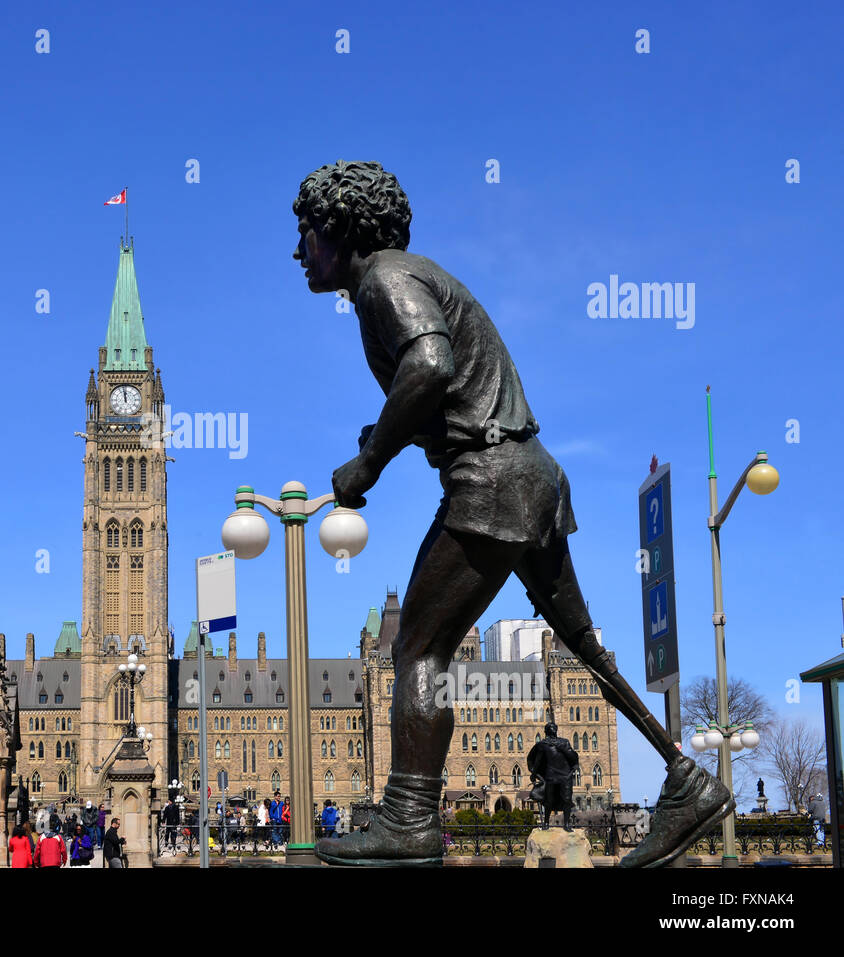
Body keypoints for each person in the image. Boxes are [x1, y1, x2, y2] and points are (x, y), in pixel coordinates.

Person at [294, 160, 732, 868]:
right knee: (582, 642)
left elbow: (431, 365)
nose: (298, 250)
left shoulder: (383, 280)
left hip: (491, 483)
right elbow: (447, 393)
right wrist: (386, 436)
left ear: (341, 228)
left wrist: (370, 460)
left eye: (307, 232)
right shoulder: (413, 276)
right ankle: (688, 781)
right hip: (532, 475)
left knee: (418, 650)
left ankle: (407, 818)